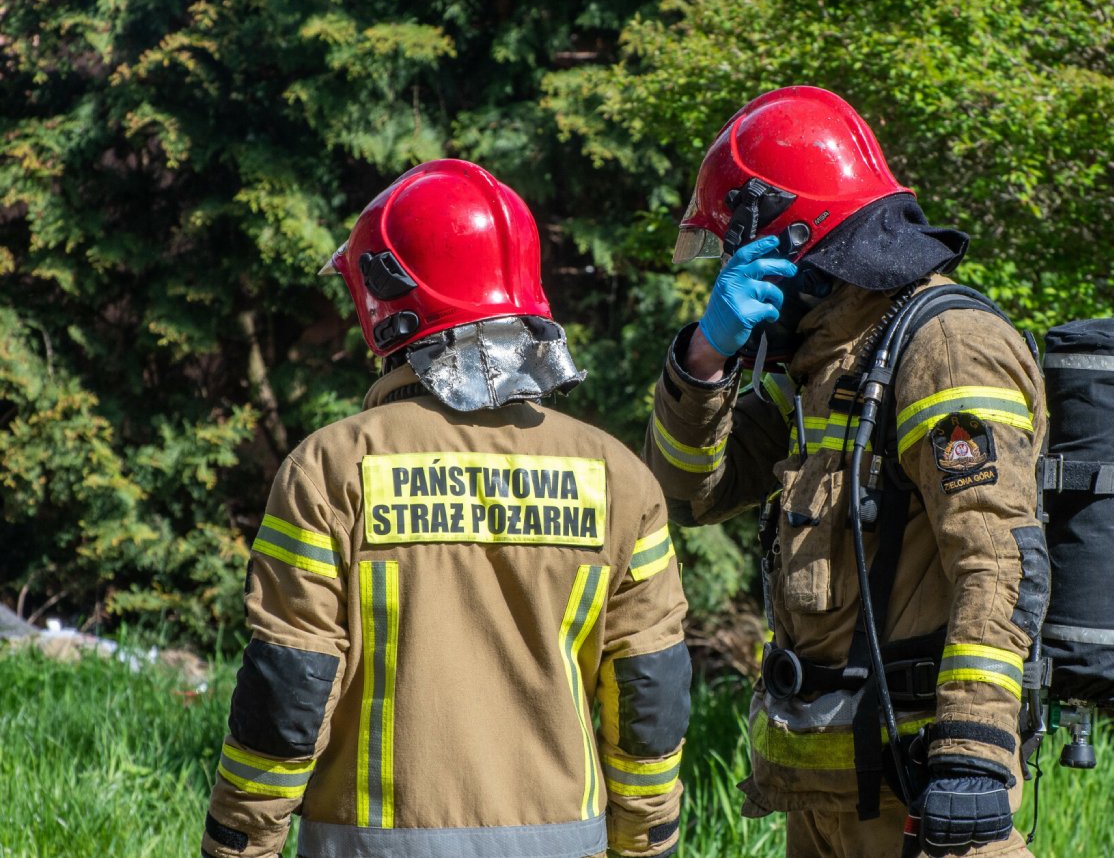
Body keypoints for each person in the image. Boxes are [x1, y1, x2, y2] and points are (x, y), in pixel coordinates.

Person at [202, 159, 690, 858]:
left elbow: (288, 692)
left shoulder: (331, 469)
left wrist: (236, 847)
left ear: (387, 300)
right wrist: (647, 846)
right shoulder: (620, 479)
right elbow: (649, 695)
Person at [644, 86, 1046, 858]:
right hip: (825, 801)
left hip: (926, 797)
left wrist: (974, 753)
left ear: (792, 240)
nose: (730, 266)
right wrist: (705, 359)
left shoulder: (945, 345)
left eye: (737, 247)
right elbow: (686, 492)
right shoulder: (820, 366)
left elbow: (998, 561)